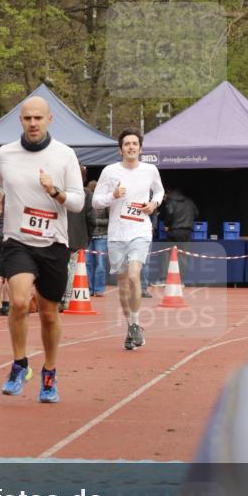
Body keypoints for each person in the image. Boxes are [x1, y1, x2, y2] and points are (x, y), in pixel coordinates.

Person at [0, 96, 85, 404]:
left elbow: (78, 202)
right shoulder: (5, 154)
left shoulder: (65, 155)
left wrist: (54, 191)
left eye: (38, 118)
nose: (32, 123)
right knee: (17, 302)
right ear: (21, 120)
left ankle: (49, 372)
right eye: (27, 118)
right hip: (18, 240)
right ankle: (19, 365)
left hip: (53, 243)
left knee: (48, 314)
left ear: (49, 120)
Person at [92, 128, 164, 351]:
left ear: (140, 148)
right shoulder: (110, 171)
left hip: (140, 230)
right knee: (123, 284)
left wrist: (153, 204)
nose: (131, 147)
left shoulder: (150, 170)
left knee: (134, 275)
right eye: (127, 144)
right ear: (120, 149)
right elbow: (95, 202)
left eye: (135, 144)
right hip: (116, 234)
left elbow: (160, 192)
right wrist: (112, 196)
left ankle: (135, 323)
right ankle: (130, 326)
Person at [62, 165, 95, 309]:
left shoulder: (60, 193)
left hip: (59, 236)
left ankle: (58, 298)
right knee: (73, 269)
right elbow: (91, 218)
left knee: (60, 268)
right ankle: (68, 299)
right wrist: (89, 236)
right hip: (78, 237)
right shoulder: (86, 193)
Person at [86, 179, 108, 297]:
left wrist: (95, 221)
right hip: (88, 236)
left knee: (100, 264)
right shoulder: (86, 202)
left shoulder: (104, 202)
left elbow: (110, 220)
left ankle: (98, 289)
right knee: (88, 264)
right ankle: (89, 289)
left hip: (102, 236)